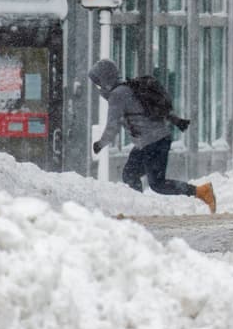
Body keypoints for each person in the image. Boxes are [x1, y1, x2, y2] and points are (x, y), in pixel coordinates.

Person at [89, 59, 216, 213]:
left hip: (153, 142)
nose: (98, 87)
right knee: (130, 174)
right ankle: (138, 207)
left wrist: (100, 144)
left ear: (105, 79)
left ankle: (202, 191)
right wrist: (174, 119)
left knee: (157, 184)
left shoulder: (117, 95)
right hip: (149, 141)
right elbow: (149, 110)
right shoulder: (128, 87)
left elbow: (112, 126)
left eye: (98, 83)